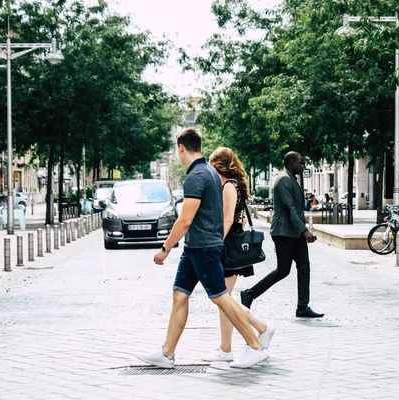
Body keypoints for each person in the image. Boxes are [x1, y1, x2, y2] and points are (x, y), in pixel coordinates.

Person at [136, 129, 269, 369]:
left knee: (220, 298)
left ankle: (255, 346)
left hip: (203, 248)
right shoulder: (208, 171)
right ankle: (167, 354)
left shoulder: (196, 176)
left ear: (181, 148)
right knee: (179, 294)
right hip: (195, 248)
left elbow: (185, 220)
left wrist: (165, 248)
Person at [202, 147, 276, 362]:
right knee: (224, 299)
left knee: (223, 299)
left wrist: (215, 244)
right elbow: (239, 218)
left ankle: (260, 329)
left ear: (218, 165)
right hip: (229, 246)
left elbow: (227, 220)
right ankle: (227, 347)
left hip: (227, 249)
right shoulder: (233, 184)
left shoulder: (228, 186)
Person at [240, 151, 324, 318]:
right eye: (300, 162)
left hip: (295, 232)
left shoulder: (291, 178)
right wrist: (305, 231)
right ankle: (249, 294)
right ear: (292, 163)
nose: (303, 165)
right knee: (283, 270)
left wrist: (302, 230)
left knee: (304, 267)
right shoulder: (283, 179)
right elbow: (288, 208)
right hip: (284, 232)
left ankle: (302, 307)